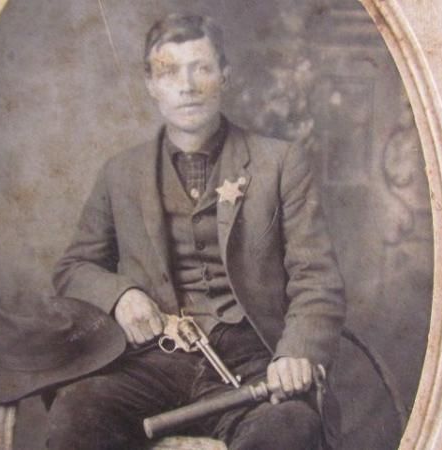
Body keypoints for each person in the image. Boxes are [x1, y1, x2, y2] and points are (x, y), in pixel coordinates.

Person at [47, 14, 345, 450]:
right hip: (151, 363)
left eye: (201, 68)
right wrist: (120, 295)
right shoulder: (120, 173)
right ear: (151, 83)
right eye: (169, 72)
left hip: (253, 360)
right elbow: (73, 268)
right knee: (75, 416)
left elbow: (316, 279)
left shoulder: (280, 164)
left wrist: (296, 352)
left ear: (224, 75)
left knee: (289, 432)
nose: (187, 86)